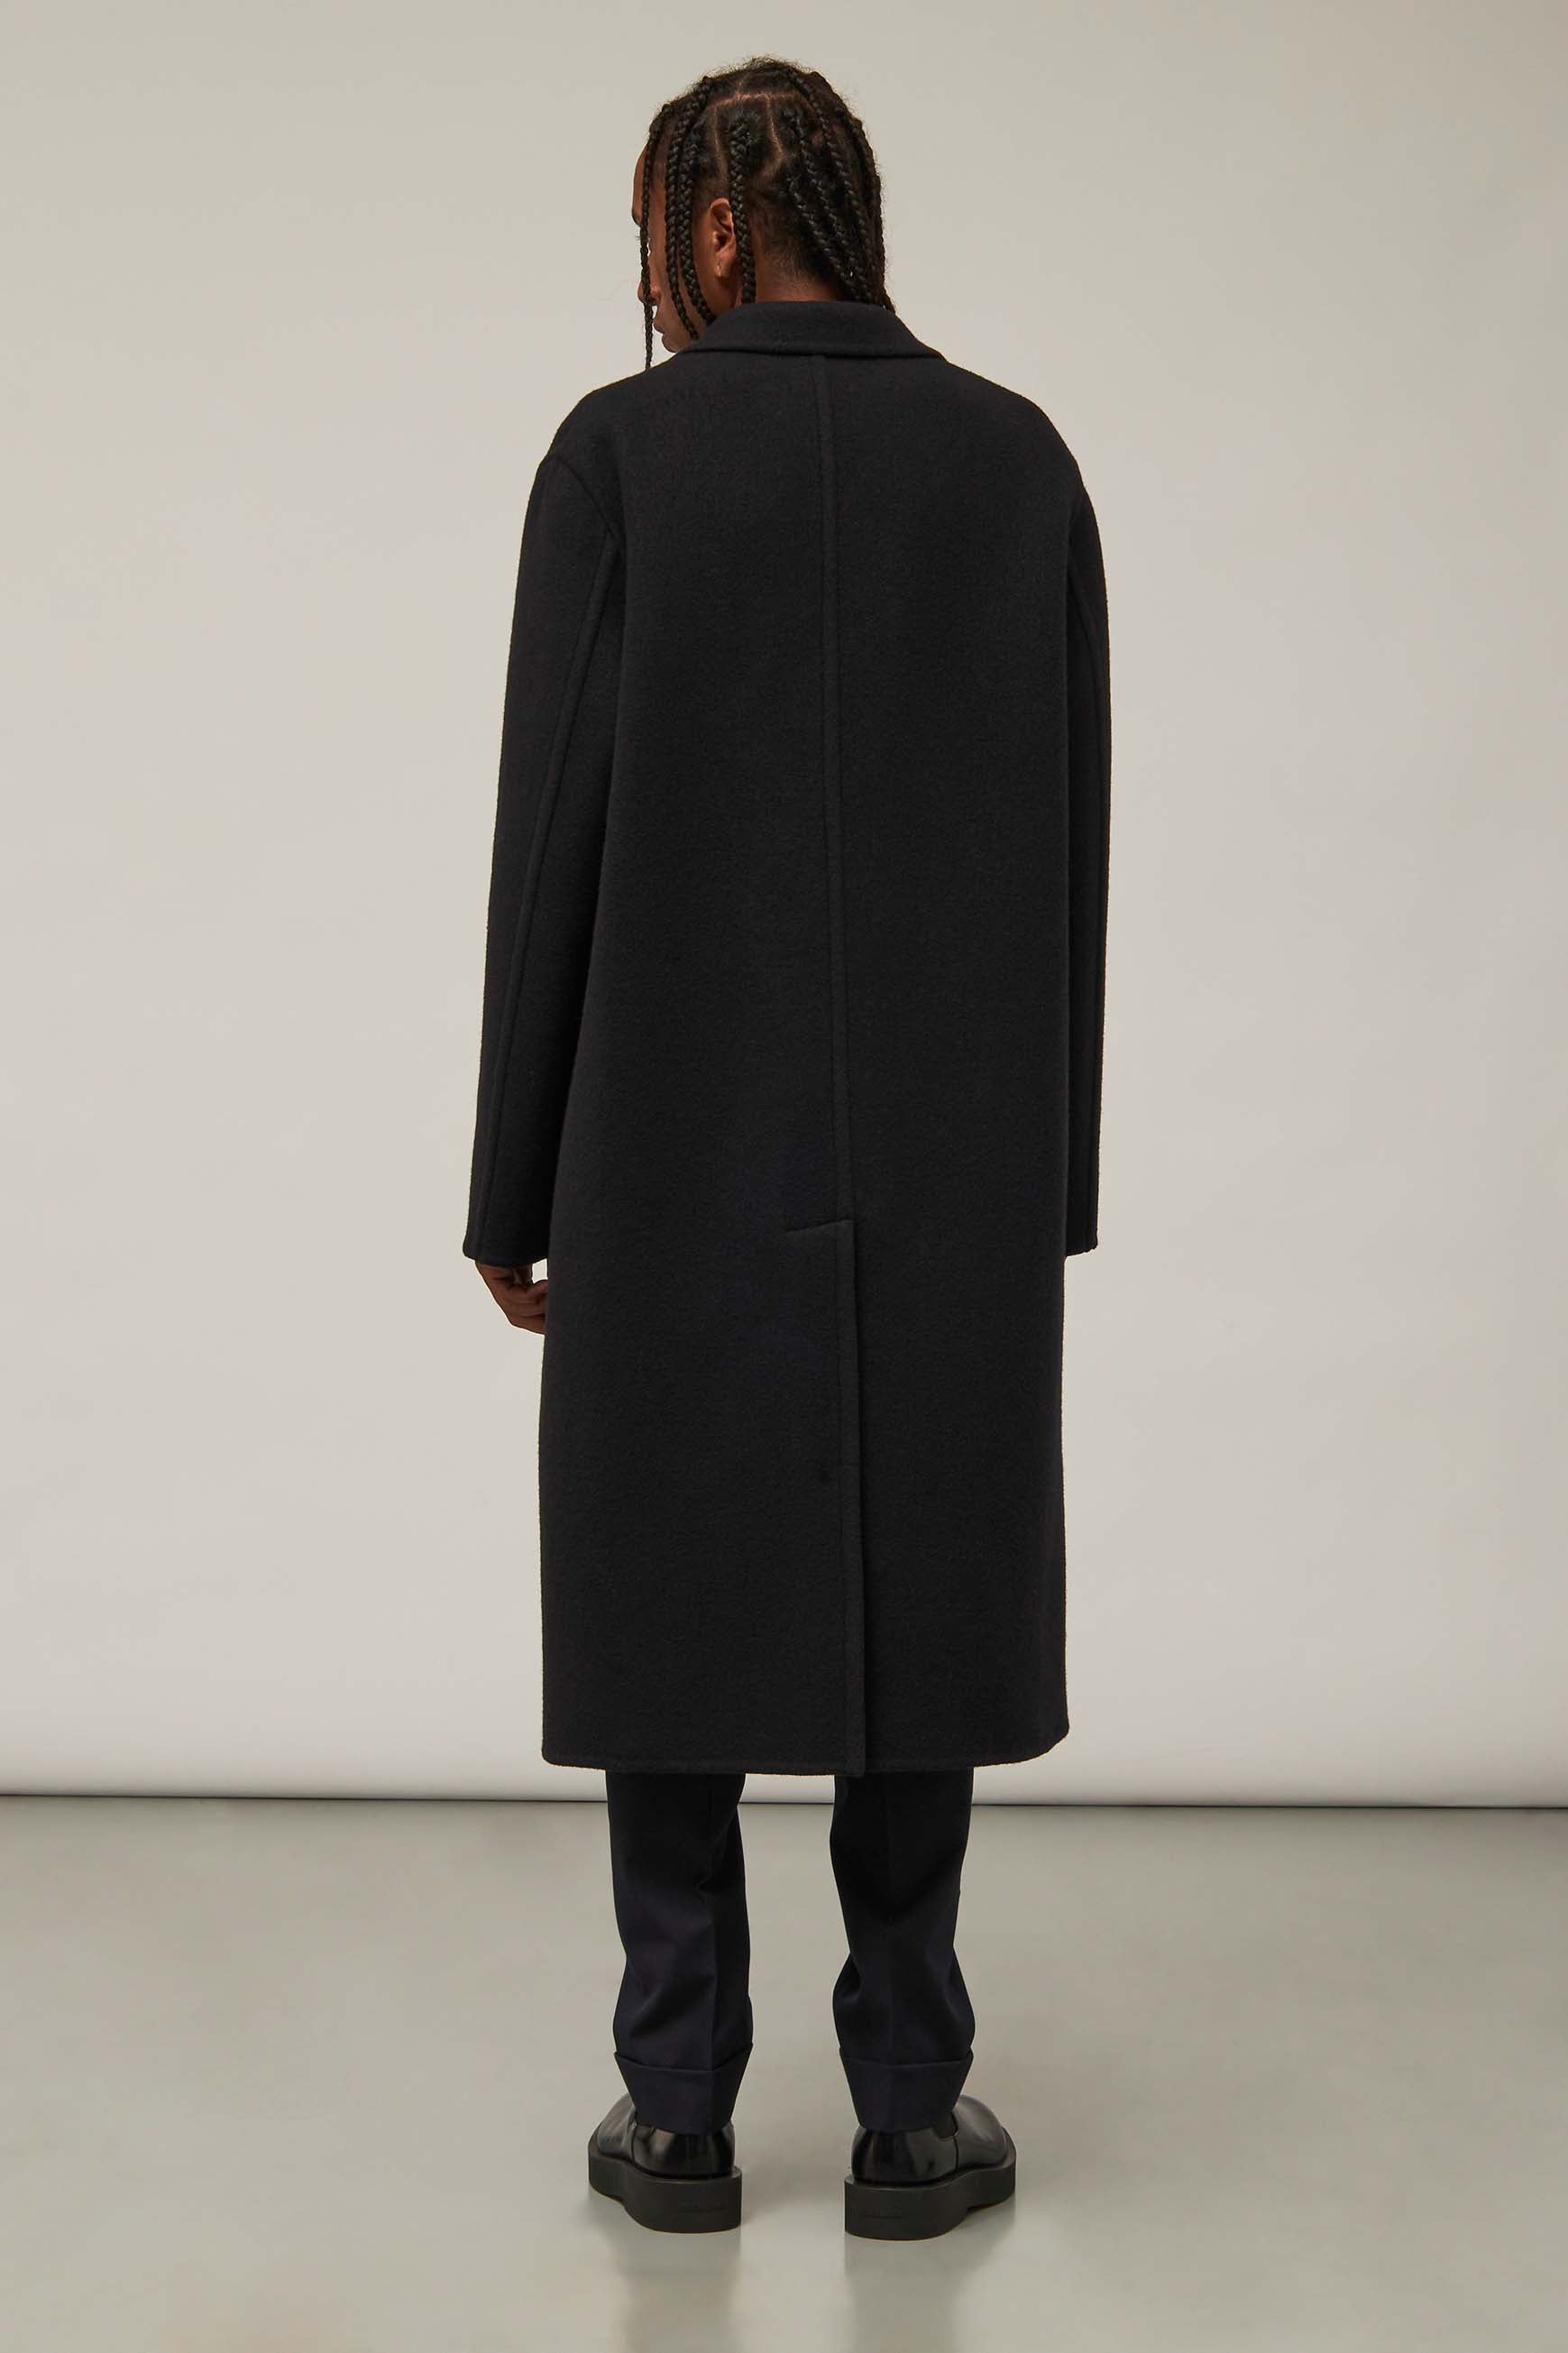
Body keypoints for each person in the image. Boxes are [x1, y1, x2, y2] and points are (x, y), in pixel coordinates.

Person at [462, 56, 1111, 2240]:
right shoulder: (1017, 462)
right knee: (912, 1601)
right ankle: (913, 2109)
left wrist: (515, 1184)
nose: (650, 280)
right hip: (951, 1160)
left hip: (664, 1146)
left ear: (725, 225)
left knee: (666, 1588)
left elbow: (551, 843)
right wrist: (1046, 1185)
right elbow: (1072, 849)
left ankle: (677, 2113)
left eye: (657, 231)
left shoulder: (619, 458)